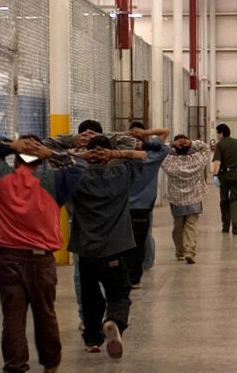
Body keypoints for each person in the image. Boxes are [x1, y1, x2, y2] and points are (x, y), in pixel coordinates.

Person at [0, 135, 87, 373]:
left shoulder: (0, 178)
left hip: (9, 259)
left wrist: (10, 146)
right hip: (41, 261)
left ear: (16, 158)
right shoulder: (53, 182)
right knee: (45, 313)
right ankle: (51, 360)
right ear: (39, 161)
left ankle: (14, 372)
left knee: (13, 317)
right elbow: (79, 166)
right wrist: (49, 153)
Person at [44, 119, 136, 330]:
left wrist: (78, 143)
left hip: (82, 229)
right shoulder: (114, 165)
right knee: (110, 283)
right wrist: (102, 147)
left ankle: (89, 323)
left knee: (86, 281)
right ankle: (108, 319)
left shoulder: (70, 166)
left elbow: (44, 148)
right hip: (110, 230)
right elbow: (131, 144)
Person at [69, 136, 146, 359]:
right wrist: (112, 154)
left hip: (86, 249)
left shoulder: (76, 177)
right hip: (116, 247)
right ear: (108, 155)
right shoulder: (121, 175)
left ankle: (92, 340)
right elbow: (141, 155)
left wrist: (82, 155)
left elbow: (54, 157)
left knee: (90, 296)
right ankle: (114, 321)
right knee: (119, 294)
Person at [126, 122, 170, 288]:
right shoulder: (154, 155)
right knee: (139, 242)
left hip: (122, 206)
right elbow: (165, 131)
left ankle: (125, 274)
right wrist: (145, 134)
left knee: (124, 243)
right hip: (143, 207)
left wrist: (128, 134)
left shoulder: (121, 156)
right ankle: (135, 278)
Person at [161, 135, 212, 264]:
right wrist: (191, 142)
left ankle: (179, 251)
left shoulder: (170, 162)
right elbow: (206, 148)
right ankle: (190, 251)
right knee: (191, 226)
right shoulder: (197, 160)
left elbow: (159, 150)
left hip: (176, 199)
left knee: (178, 226)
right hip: (194, 198)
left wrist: (171, 144)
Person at [212, 123, 237, 235]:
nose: (217, 136)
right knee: (235, 199)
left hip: (224, 176)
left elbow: (217, 162)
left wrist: (215, 175)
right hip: (236, 175)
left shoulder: (220, 145)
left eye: (217, 133)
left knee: (224, 200)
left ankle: (225, 226)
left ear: (222, 133)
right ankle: (235, 221)